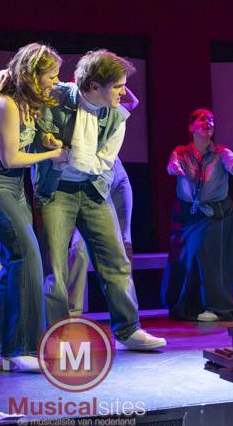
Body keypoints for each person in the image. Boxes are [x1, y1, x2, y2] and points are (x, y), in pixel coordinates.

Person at [33, 50, 166, 351]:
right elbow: (40, 143)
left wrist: (66, 154)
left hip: (94, 190)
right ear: (94, 86)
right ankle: (57, 335)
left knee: (116, 261)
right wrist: (52, 148)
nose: (124, 92)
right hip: (57, 192)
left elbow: (103, 163)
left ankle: (128, 330)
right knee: (55, 268)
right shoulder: (55, 99)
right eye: (117, 86)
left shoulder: (116, 114)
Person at [0, 43, 64, 372]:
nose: (55, 81)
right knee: (27, 255)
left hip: (13, 187)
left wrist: (45, 140)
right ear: (33, 75)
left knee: (14, 261)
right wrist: (52, 155)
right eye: (51, 76)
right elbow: (10, 158)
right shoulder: (4, 104)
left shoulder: (27, 103)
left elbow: (23, 142)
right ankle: (18, 349)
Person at [162, 109, 233, 322]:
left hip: (215, 214)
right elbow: (172, 165)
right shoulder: (181, 152)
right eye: (203, 119)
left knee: (209, 255)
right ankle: (189, 306)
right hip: (187, 216)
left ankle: (217, 307)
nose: (209, 122)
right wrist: (174, 168)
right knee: (185, 258)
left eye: (212, 120)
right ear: (191, 127)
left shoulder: (221, 152)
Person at [65, 87, 140, 316]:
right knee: (79, 247)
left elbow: (133, 102)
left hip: (119, 179)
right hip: (94, 183)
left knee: (124, 241)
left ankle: (129, 311)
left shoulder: (108, 109)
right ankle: (73, 311)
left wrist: (116, 82)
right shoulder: (73, 117)